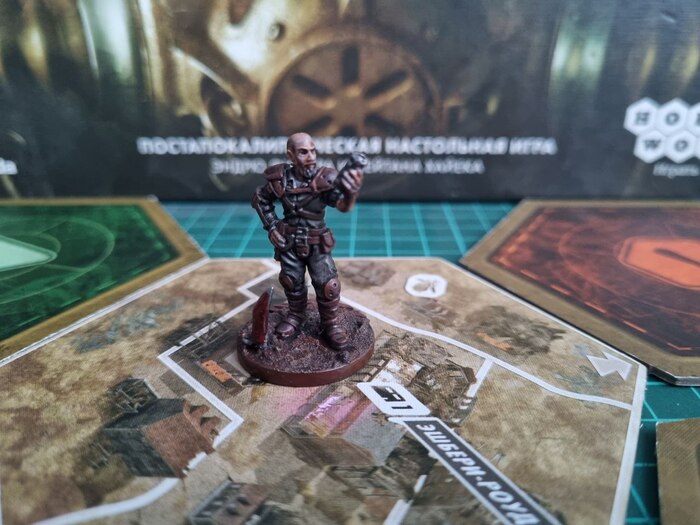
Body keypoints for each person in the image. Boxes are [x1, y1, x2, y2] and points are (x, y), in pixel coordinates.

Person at [252, 132, 364, 350]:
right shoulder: (280, 179)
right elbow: (261, 199)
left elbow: (343, 206)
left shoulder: (326, 178)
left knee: (328, 285)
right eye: (303, 152)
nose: (311, 156)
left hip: (317, 242)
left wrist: (351, 193)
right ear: (291, 155)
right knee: (291, 281)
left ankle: (330, 324)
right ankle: (295, 316)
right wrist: (272, 227)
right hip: (289, 241)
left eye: (313, 151)